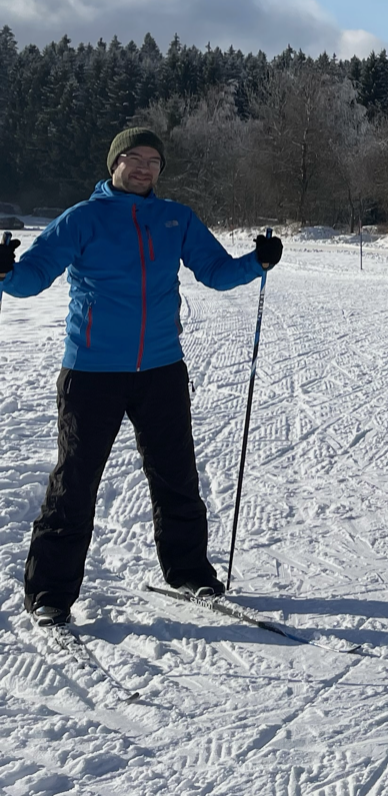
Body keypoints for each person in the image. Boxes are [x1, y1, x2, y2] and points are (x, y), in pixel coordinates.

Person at [0, 127, 280, 626]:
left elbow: (215, 271)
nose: (145, 167)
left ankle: (190, 572)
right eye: (134, 158)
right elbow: (32, 277)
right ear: (114, 164)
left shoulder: (176, 219)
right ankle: (49, 593)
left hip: (161, 369)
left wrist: (256, 263)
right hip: (92, 371)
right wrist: (3, 273)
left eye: (153, 160)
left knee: (176, 475)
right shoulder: (82, 219)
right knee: (76, 481)